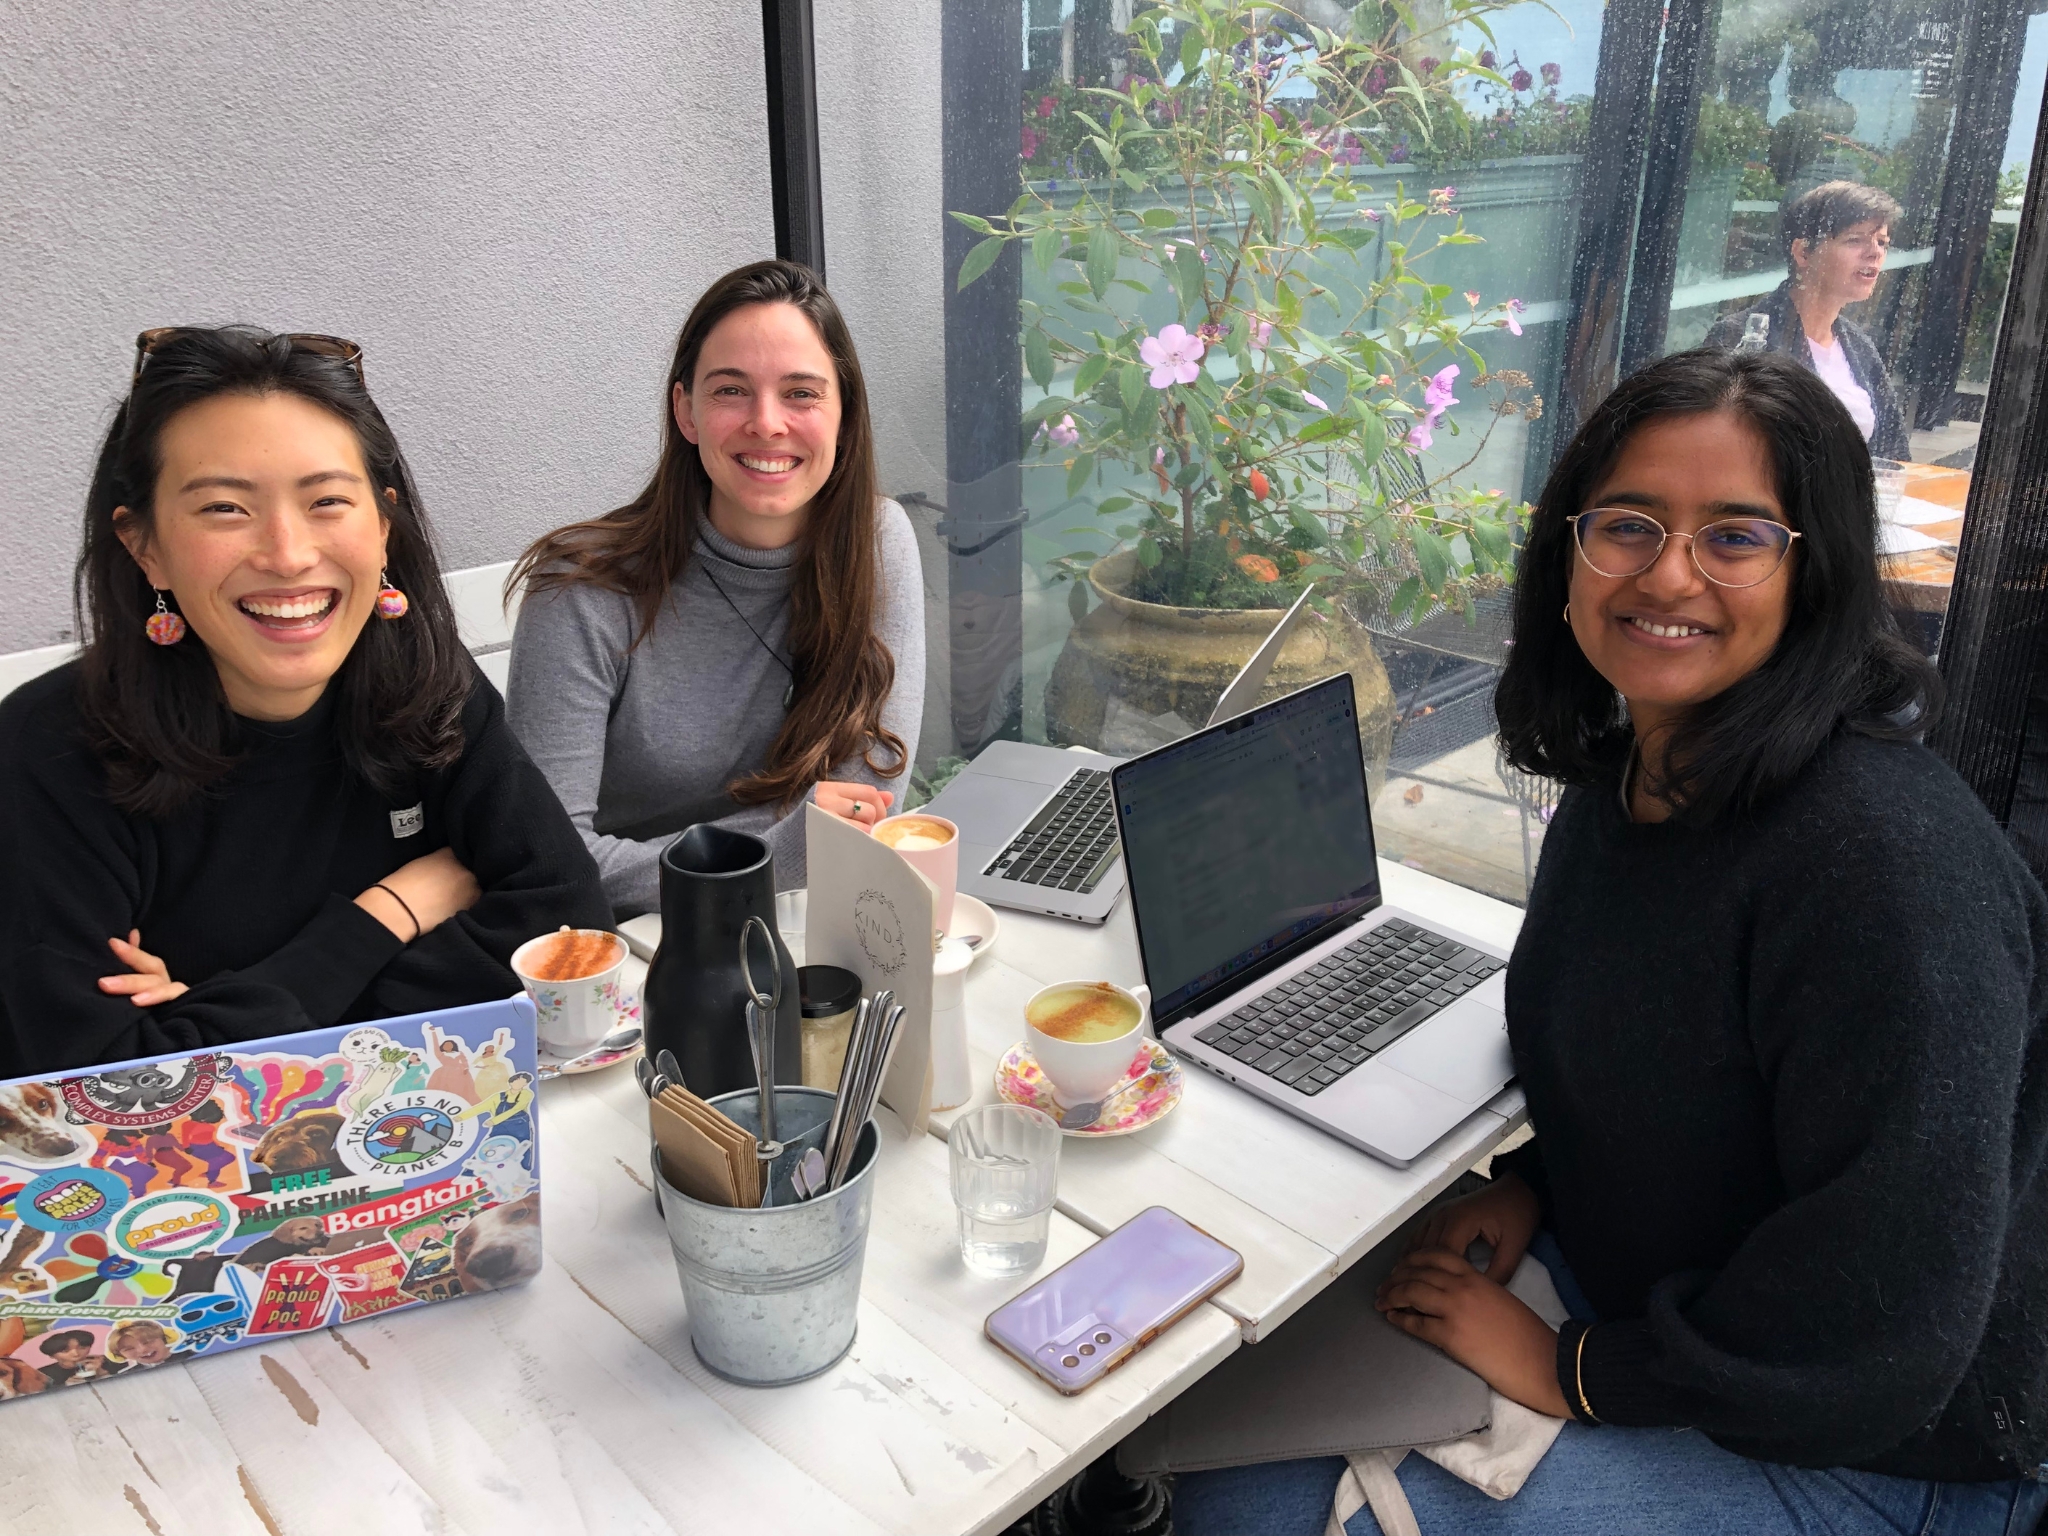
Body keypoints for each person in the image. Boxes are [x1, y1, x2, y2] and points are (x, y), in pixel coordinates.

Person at [1171, 350, 2047, 1535]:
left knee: (1254, 1510)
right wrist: (1533, 1188)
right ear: (1569, 552)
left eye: (1736, 536)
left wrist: (1570, 1368)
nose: (1666, 574)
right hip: (1666, 1301)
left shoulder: (1882, 868)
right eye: (1628, 525)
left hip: (1877, 1446)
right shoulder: (1635, 770)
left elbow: (1882, 1333)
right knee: (1199, 1416)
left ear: (1817, 569)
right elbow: (1675, 1072)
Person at [0, 327, 610, 1079]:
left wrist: (227, 1017)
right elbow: (115, 1085)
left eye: (327, 500)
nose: (287, 554)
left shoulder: (424, 679)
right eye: (225, 508)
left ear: (382, 526)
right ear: (143, 543)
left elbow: (565, 918)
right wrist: (388, 913)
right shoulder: (50, 748)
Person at [506, 260, 924, 912]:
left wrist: (801, 848)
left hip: (822, 919)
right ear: (687, 411)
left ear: (843, 413)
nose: (766, 422)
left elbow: (865, 810)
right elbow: (554, 862)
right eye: (731, 390)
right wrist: (781, 852)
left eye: (802, 393)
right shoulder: (580, 591)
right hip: (639, 946)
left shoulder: (876, 541)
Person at [1706, 180, 1910, 460]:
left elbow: (1893, 456)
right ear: (1803, 252)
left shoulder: (1860, 348)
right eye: (1855, 240)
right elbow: (1716, 446)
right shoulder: (1743, 337)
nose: (1875, 252)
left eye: (1882, 242)